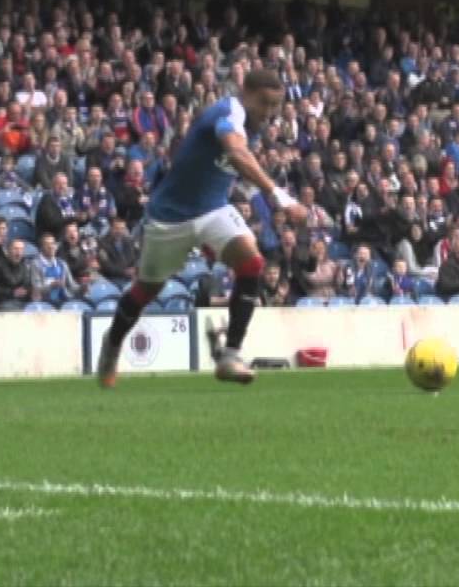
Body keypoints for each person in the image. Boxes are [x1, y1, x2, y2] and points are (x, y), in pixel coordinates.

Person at [96, 69, 305, 387]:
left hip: (213, 209)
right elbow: (235, 152)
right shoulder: (228, 112)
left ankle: (230, 355)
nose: (269, 112)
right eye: (265, 103)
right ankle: (112, 344)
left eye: (275, 106)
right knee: (146, 290)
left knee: (252, 262)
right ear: (244, 92)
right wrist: (279, 196)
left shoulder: (253, 124)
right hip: (169, 217)